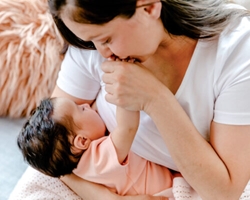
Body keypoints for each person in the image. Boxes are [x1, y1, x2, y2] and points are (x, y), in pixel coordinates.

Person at [9, 0, 250, 199]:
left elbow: (224, 192)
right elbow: (53, 150)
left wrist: (155, 99)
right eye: (89, 40)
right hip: (95, 182)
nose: (100, 52)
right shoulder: (89, 45)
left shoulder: (235, 52)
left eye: (105, 39)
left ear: (148, 7)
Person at [17, 96, 178, 197]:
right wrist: (123, 93)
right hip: (166, 192)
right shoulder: (99, 159)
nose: (87, 105)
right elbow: (127, 128)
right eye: (81, 109)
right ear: (82, 141)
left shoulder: (79, 166)